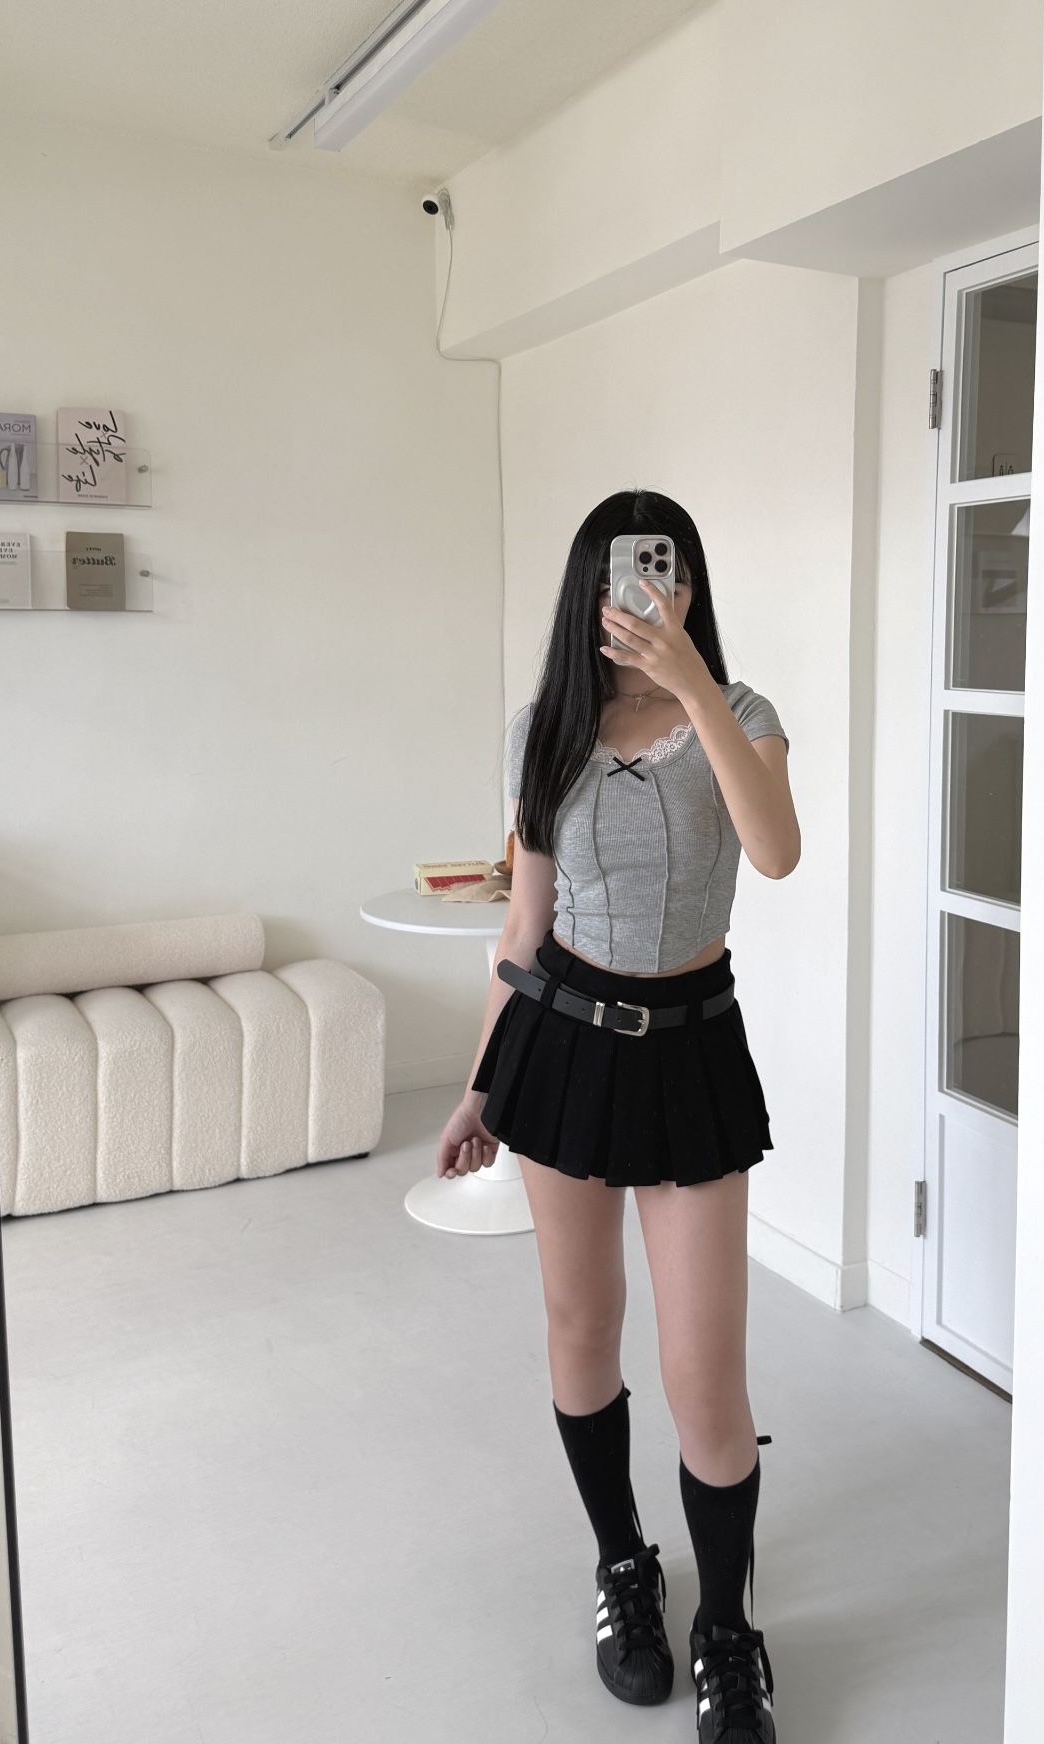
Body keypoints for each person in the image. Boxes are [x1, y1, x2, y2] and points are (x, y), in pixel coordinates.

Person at [437, 490, 799, 1744]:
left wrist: (691, 682)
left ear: (691, 585)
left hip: (692, 1050)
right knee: (581, 1324)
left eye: (666, 569)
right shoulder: (543, 732)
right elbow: (524, 924)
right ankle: (624, 1564)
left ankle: (729, 1631)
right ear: (586, 589)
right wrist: (480, 1082)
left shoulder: (743, 714)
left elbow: (776, 852)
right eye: (622, 572)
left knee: (706, 1374)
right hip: (564, 1046)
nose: (645, 590)